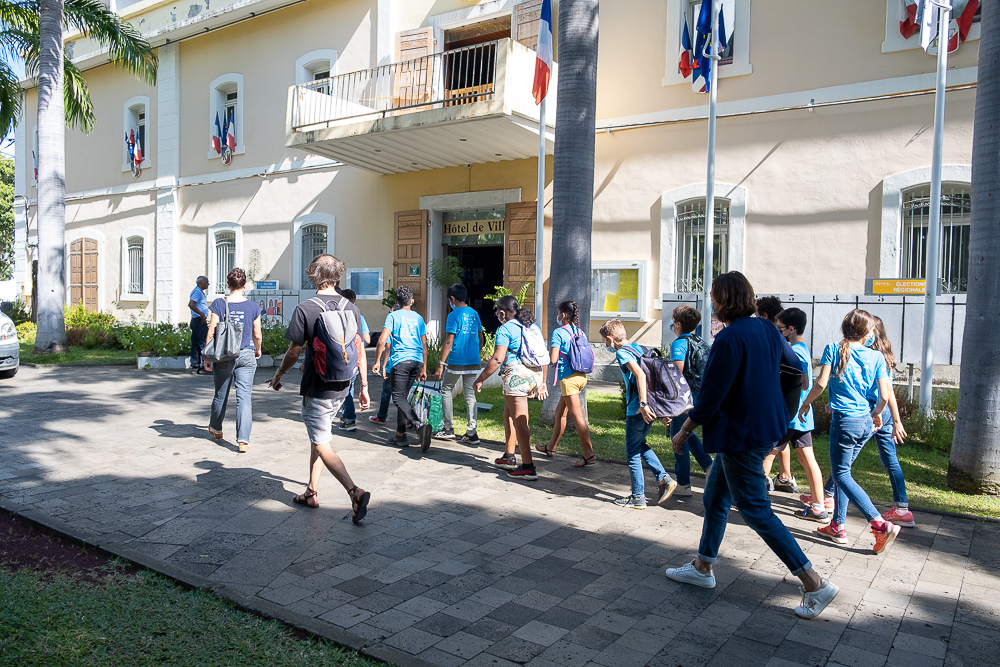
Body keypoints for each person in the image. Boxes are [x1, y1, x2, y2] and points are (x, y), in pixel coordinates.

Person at [667, 271, 839, 620]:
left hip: (741, 435)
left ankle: (814, 583)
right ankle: (703, 566)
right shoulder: (767, 329)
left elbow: (711, 397)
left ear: (724, 299)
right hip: (763, 429)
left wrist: (684, 430)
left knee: (755, 509)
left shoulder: (730, 339)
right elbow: (796, 372)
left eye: (714, 296)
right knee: (714, 497)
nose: (712, 303)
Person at [268, 254, 371, 523]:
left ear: (313, 275)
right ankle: (311, 491)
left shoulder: (306, 308)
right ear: (338, 276)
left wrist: (279, 374)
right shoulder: (352, 307)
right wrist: (364, 386)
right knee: (319, 435)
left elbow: (293, 352)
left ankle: (354, 491)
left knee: (321, 441)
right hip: (343, 385)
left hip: (317, 386)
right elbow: (358, 348)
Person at [798, 309, 903, 553]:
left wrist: (806, 403)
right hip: (865, 421)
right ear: (867, 332)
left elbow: (821, 383)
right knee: (842, 473)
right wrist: (877, 413)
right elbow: (884, 396)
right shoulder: (876, 357)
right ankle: (838, 525)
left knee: (841, 475)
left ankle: (879, 524)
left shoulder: (834, 348)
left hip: (845, 422)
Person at [599, 319, 677, 508]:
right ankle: (663, 478)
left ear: (610, 338)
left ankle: (638, 497)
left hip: (638, 409)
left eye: (604, 341)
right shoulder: (639, 348)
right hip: (651, 406)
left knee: (632, 451)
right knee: (639, 444)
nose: (605, 345)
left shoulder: (622, 353)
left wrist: (642, 404)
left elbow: (641, 375)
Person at [474, 295, 548, 480]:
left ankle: (528, 467)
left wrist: (480, 379)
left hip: (517, 377)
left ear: (502, 312)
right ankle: (509, 456)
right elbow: (543, 356)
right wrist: (543, 381)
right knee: (509, 413)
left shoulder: (505, 329)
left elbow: (498, 359)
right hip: (535, 375)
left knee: (520, 421)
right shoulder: (532, 326)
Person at [768, 307, 830, 523]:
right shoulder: (803, 349)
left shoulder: (795, 352)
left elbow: (802, 383)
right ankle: (819, 508)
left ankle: (754, 501)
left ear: (790, 329)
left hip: (789, 415)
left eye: (780, 329)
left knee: (767, 455)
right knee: (806, 458)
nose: (778, 332)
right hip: (803, 417)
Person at [205, 268, 262, 454]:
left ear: (228, 285)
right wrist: (258, 349)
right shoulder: (253, 307)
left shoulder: (219, 304)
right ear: (244, 285)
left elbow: (212, 330)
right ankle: (243, 440)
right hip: (246, 354)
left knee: (220, 394)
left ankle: (216, 428)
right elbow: (257, 334)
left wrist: (207, 355)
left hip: (224, 355)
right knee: (244, 397)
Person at [537, 301, 597, 467]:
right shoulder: (580, 331)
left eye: (559, 313)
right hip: (581, 377)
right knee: (560, 413)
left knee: (577, 417)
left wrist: (542, 358)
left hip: (568, 380)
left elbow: (554, 359)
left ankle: (589, 454)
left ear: (563, 314)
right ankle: (551, 447)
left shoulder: (558, 333)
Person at [372, 285, 431, 451]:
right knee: (403, 397)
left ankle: (418, 425)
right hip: (417, 361)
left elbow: (382, 340)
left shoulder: (393, 316)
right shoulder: (419, 318)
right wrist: (424, 368)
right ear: (412, 301)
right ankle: (400, 435)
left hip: (401, 361)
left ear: (396, 301)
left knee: (397, 398)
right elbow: (424, 345)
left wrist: (377, 361)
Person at [667, 305, 714, 495]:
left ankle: (684, 483)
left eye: (672, 319)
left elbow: (677, 375)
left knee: (678, 437)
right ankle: (708, 466)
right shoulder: (700, 341)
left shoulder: (679, 344)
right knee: (686, 432)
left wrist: (669, 402)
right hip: (700, 394)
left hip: (684, 398)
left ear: (678, 324)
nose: (671, 323)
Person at [756, 295, 797, 494]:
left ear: (764, 315)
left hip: (765, 408)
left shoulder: (768, 337)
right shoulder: (781, 340)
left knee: (761, 455)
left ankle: (757, 493)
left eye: (756, 315)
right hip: (778, 408)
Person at [434, 283, 484, 443]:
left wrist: (441, 363)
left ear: (452, 299)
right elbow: (480, 336)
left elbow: (449, 342)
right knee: (470, 395)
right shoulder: (474, 313)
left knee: (446, 390)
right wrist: (478, 353)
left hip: (457, 361)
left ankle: (448, 428)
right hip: (473, 361)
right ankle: (472, 432)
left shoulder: (453, 315)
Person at [337, 289, 371, 432]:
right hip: (356, 357)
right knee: (349, 388)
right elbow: (368, 339)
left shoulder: (337, 317)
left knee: (346, 390)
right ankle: (347, 416)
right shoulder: (360, 317)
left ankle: (349, 418)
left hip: (341, 357)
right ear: (355, 302)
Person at [369, 304, 399, 425]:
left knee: (387, 391)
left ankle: (382, 416)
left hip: (392, 363)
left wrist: (382, 364)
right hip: (408, 362)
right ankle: (407, 418)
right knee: (403, 393)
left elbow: (387, 346)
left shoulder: (391, 327)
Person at [188, 276, 210, 375]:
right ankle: (203, 366)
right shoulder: (197, 292)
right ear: (201, 283)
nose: (208, 284)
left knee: (196, 343)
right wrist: (201, 314)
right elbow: (191, 304)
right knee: (202, 343)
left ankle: (195, 365)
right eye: (206, 282)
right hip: (199, 320)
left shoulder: (199, 292)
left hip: (197, 320)